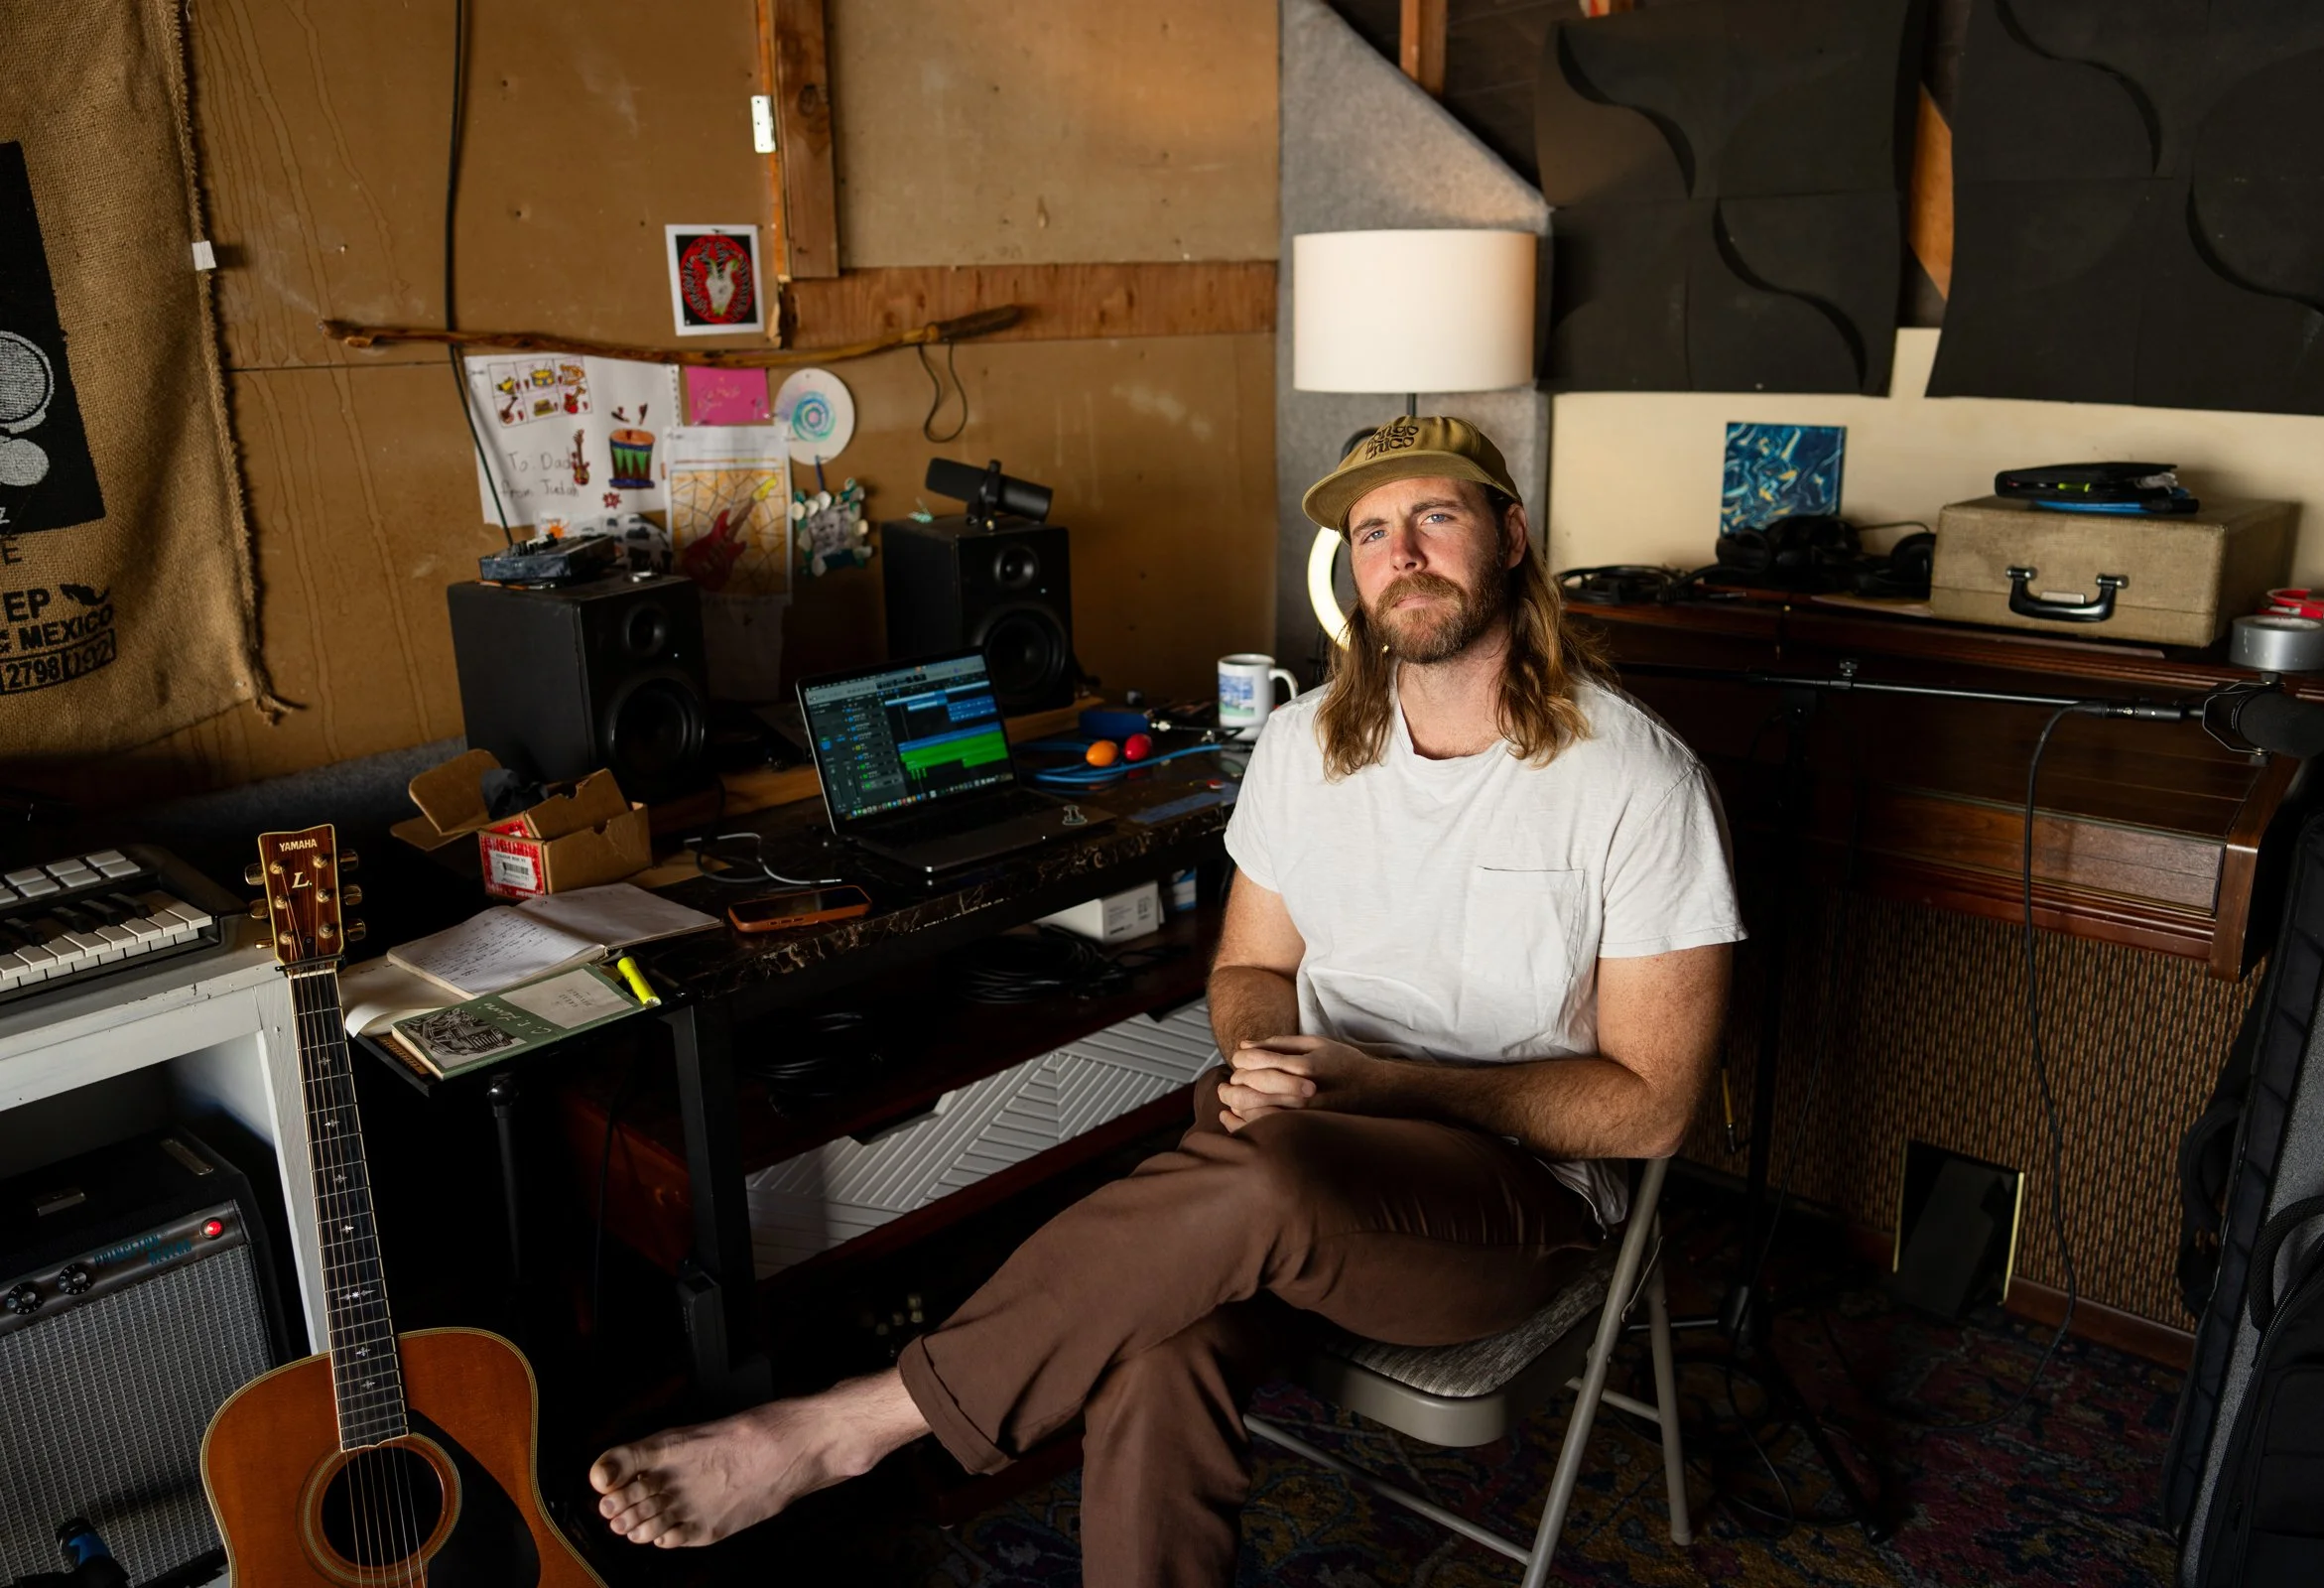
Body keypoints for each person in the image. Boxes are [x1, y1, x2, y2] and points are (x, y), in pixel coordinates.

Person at [587, 416, 1744, 1584]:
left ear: (1511, 534)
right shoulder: (1302, 745)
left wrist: (1377, 1082)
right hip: (1296, 1149)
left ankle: (849, 1429)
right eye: (1371, 530)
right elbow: (1247, 974)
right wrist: (1261, 1061)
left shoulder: (1635, 781)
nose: (1403, 552)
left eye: (1435, 517)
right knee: (1155, 1334)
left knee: (1260, 1187)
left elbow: (1649, 1112)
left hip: (1504, 1202)